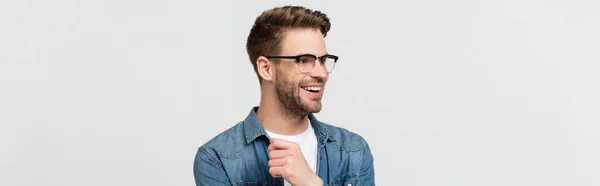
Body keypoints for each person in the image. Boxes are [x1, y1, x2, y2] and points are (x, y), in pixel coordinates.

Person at [193, 5, 375, 186]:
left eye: (323, 60)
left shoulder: (353, 151)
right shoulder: (218, 158)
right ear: (266, 68)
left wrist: (311, 183)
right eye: (304, 60)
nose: (322, 73)